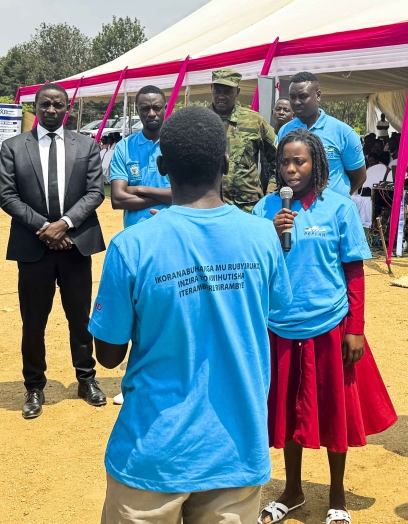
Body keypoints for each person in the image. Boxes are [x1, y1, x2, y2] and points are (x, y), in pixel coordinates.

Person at [89, 106, 292, 524]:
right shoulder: (263, 237)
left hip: (154, 452)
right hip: (237, 446)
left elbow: (108, 355)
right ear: (224, 164)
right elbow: (275, 312)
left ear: (162, 166)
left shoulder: (134, 245)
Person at [254, 129, 396, 524]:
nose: (291, 169)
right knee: (285, 411)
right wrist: (270, 233)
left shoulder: (338, 207)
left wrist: (356, 327)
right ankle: (292, 489)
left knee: (334, 411)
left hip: (328, 325)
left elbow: (353, 271)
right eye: (284, 162)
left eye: (299, 161)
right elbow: (253, 267)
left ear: (317, 163)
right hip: (279, 327)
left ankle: (337, 496)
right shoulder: (265, 209)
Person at [0, 84, 107, 420]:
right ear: (35, 106)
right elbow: (8, 196)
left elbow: (95, 192)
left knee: (80, 318)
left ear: (67, 109)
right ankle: (34, 386)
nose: (51, 110)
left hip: (75, 246)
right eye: (45, 104)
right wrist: (46, 229)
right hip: (34, 247)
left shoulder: (86, 145)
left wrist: (65, 224)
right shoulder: (13, 147)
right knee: (33, 321)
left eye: (58, 105)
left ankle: (85, 379)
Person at [279, 72, 366, 197]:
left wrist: (337, 200)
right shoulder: (285, 131)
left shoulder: (343, 132)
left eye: (303, 96)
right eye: (292, 97)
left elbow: (359, 177)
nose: (296, 102)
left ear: (318, 96)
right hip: (297, 210)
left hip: (333, 212)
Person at [209, 68, 277, 212]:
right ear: (211, 89)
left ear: (237, 92)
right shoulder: (199, 121)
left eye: (227, 92)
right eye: (217, 91)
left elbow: (279, 158)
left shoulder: (254, 121)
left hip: (247, 207)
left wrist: (271, 190)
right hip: (208, 206)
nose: (221, 96)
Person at [109, 86, 173, 227]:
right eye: (145, 108)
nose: (151, 113)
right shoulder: (124, 147)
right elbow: (117, 200)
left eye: (157, 107)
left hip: (172, 230)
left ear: (165, 108)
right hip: (135, 233)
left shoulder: (178, 145)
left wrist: (139, 189)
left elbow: (187, 194)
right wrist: (166, 198)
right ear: (137, 110)